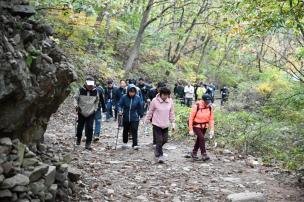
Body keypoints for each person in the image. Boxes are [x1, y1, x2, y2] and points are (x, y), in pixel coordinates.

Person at [145, 87, 175, 163]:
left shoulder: (170, 101)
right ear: (161, 94)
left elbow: (171, 112)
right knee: (159, 140)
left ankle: (157, 150)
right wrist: (147, 119)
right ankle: (160, 155)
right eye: (164, 95)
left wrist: (173, 122)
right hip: (156, 123)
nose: (166, 97)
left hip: (165, 124)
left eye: (167, 95)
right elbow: (150, 111)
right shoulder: (154, 101)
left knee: (165, 140)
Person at [74, 77, 99, 150]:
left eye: (91, 85)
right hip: (81, 111)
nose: (90, 86)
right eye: (89, 85)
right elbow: (75, 98)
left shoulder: (95, 91)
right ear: (85, 84)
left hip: (91, 112)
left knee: (90, 128)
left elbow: (97, 101)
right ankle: (78, 139)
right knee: (80, 127)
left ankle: (88, 143)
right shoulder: (80, 90)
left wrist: (95, 108)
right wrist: (76, 106)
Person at [188, 94, 214, 161]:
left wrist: (212, 129)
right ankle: (204, 154)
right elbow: (190, 118)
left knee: (199, 139)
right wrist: (190, 129)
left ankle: (194, 153)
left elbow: (211, 119)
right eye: (206, 101)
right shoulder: (196, 106)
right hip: (196, 125)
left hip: (205, 126)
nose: (207, 103)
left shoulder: (210, 107)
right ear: (203, 100)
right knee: (202, 138)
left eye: (208, 101)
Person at [118, 84, 144, 150]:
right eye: (130, 92)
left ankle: (135, 144)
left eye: (133, 92)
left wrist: (141, 115)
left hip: (134, 117)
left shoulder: (138, 98)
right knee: (125, 129)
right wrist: (120, 111)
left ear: (135, 92)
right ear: (128, 91)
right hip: (126, 116)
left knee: (134, 130)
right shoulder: (124, 97)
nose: (132, 93)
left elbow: (140, 107)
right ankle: (125, 141)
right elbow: (119, 105)